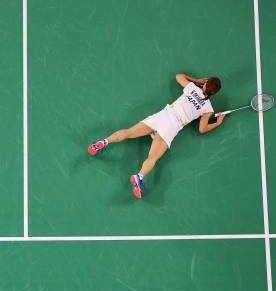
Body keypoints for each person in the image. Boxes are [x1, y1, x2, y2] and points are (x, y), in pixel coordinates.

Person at [87, 74, 224, 198]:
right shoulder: (208, 108)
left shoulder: (192, 88)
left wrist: (196, 80)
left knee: (128, 132)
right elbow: (202, 129)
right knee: (152, 158)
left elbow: (178, 77)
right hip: (172, 127)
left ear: (205, 83)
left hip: (162, 116)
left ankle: (102, 142)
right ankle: (139, 177)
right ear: (214, 93)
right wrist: (217, 123)